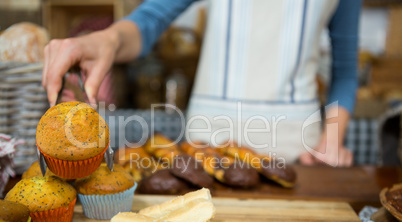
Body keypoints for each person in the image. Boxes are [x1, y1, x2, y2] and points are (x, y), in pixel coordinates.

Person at [42, 0, 361, 167]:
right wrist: (108, 40)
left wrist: (333, 137)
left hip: (298, 153)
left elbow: (345, 68)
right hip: (203, 149)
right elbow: (150, 20)